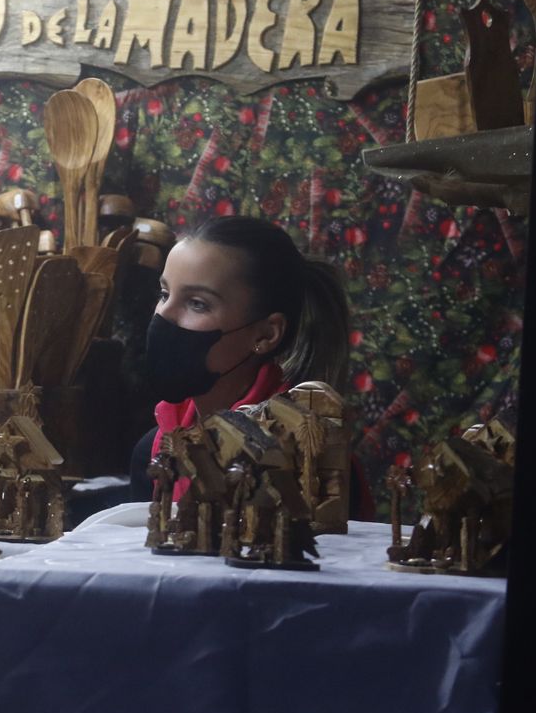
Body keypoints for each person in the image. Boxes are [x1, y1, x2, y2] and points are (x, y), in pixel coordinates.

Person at [131, 215, 369, 516]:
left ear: (266, 334)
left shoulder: (314, 457)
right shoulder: (154, 451)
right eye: (165, 294)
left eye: (197, 303)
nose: (164, 315)